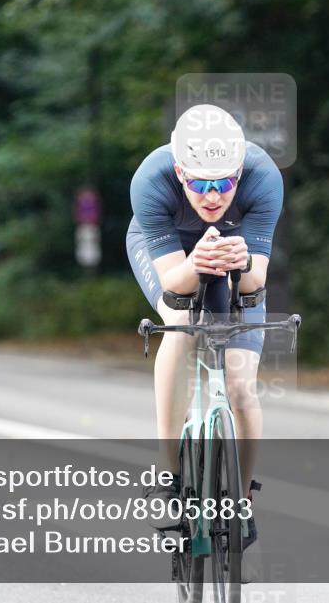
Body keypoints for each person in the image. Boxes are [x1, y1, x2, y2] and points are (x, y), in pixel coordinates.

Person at [126, 104, 283, 548]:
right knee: (180, 321)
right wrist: (196, 263)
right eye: (199, 183)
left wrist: (244, 263)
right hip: (172, 253)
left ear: (239, 172)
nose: (212, 196)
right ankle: (169, 476)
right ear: (180, 172)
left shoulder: (264, 177)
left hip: (236, 249)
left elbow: (254, 286)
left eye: (224, 183)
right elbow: (174, 285)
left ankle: (242, 500)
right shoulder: (150, 180)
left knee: (240, 386)